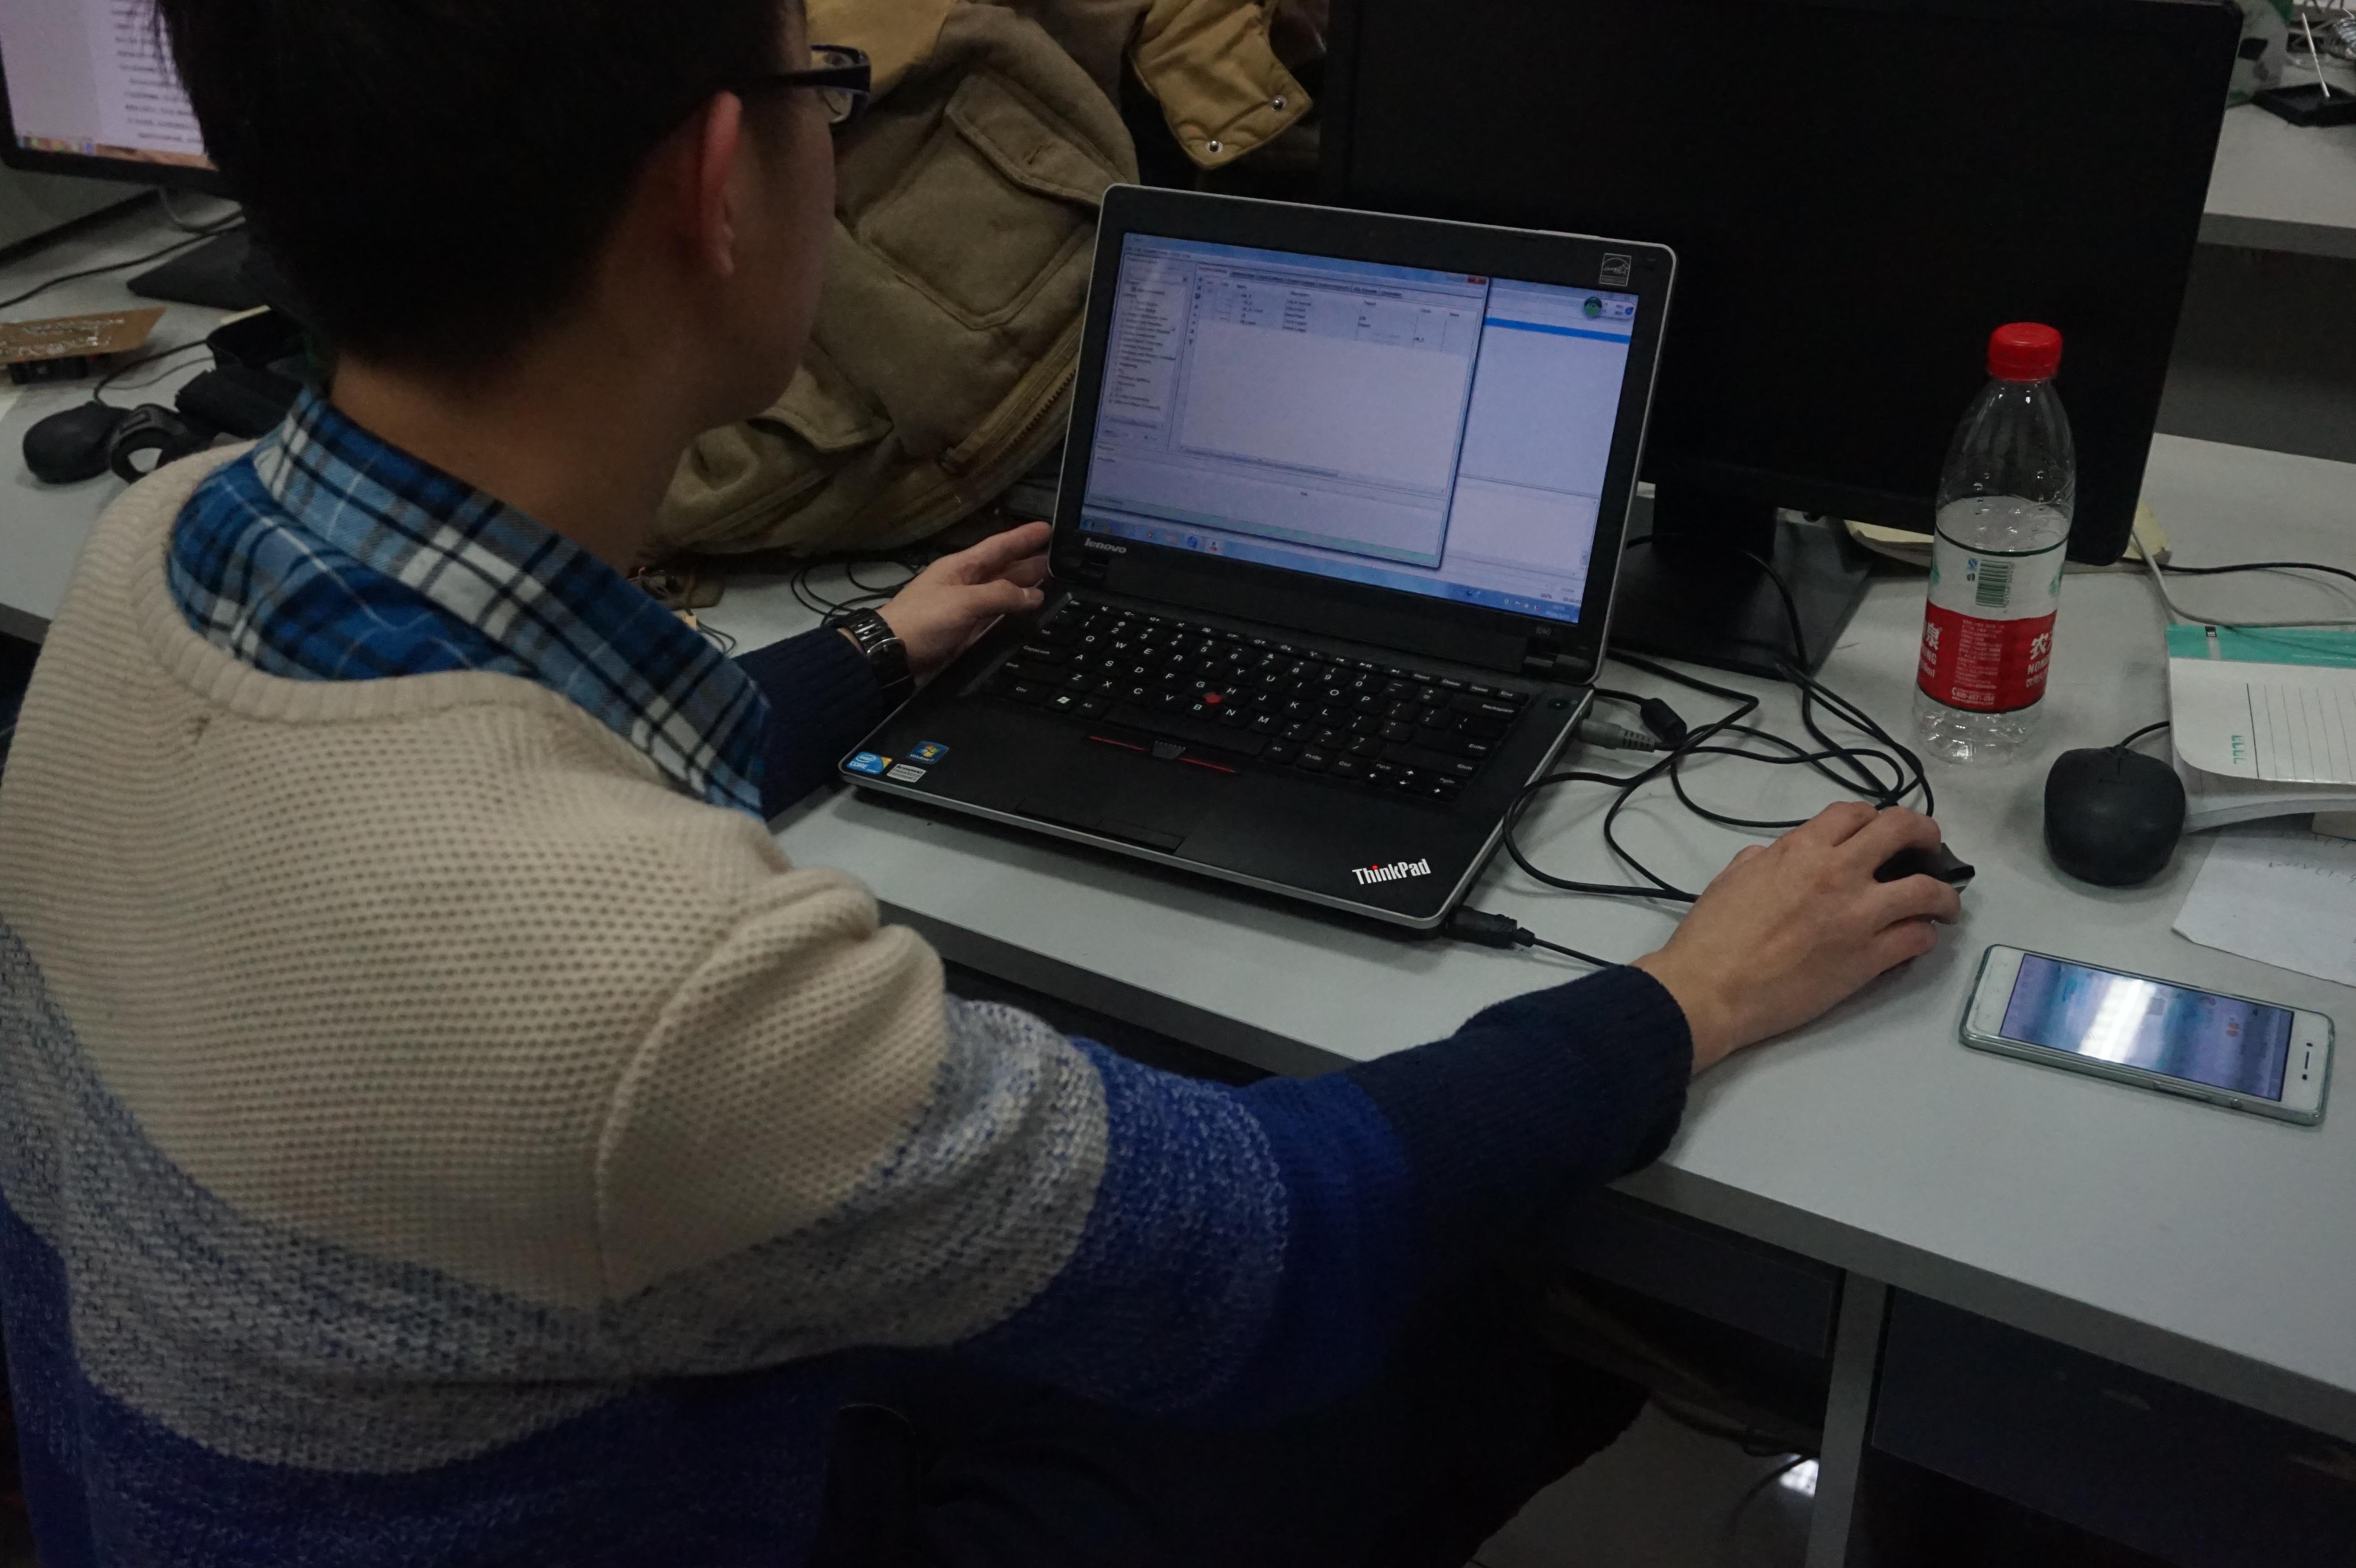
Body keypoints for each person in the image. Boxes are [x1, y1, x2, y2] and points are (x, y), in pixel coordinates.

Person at [0, 2, 1962, 1564]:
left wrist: (878, 648)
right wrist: (1689, 994)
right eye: (822, 91)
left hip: (229, 1476)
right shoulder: (658, 1004)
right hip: (645, 1500)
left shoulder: (170, 554)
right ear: (720, 188)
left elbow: (543, 743)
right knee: (1421, 1339)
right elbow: (1264, 1236)